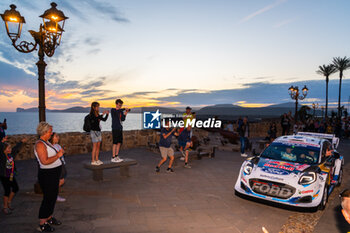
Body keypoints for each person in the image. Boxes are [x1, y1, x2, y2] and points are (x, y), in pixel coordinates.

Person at [34, 122, 64, 232]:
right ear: (45, 132)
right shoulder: (40, 144)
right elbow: (44, 161)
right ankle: (42, 223)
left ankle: (49, 218)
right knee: (48, 199)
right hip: (47, 175)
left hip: (53, 174)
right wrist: (58, 155)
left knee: (52, 197)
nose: (51, 134)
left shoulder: (46, 142)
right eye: (50, 132)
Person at [0, 137, 25, 215]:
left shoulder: (11, 155)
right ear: (4, 150)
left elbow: (15, 148)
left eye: (10, 148)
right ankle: (5, 207)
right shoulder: (2, 156)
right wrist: (1, 142)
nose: (10, 149)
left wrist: (21, 142)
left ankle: (9, 202)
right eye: (8, 148)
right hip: (4, 176)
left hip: (10, 175)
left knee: (15, 188)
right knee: (7, 191)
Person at [49, 133, 66, 202]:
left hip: (62, 165)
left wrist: (62, 151)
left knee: (59, 181)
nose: (58, 137)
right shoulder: (50, 147)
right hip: (56, 166)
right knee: (60, 181)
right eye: (56, 136)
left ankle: (53, 194)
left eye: (58, 136)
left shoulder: (57, 145)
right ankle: (54, 195)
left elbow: (62, 152)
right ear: (52, 138)